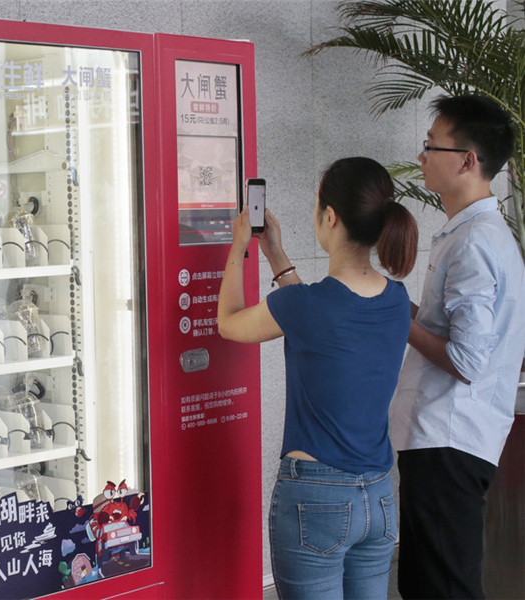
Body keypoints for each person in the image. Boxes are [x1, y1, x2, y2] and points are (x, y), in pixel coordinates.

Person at [217, 157, 418, 599]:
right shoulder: (398, 300)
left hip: (316, 500)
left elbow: (229, 323)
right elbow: (319, 317)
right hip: (380, 498)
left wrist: (238, 247)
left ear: (329, 217)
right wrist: (274, 252)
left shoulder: (307, 307)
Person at [389, 94, 525, 600]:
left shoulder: (474, 244)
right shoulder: (473, 233)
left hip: (449, 438)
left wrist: (398, 317)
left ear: (468, 161)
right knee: (429, 582)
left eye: (431, 146)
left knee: (443, 587)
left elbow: (467, 360)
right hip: (446, 437)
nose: (422, 156)